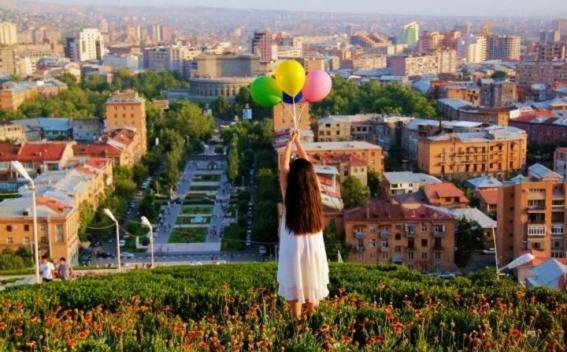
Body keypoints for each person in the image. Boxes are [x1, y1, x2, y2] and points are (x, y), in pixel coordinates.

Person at [277, 129, 329, 319]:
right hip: (314, 244)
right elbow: (309, 168)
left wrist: (290, 143)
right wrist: (299, 144)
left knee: (295, 285)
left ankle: (296, 322)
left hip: (293, 245)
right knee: (312, 282)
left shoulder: (289, 192)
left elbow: (283, 167)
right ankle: (311, 323)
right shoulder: (314, 192)